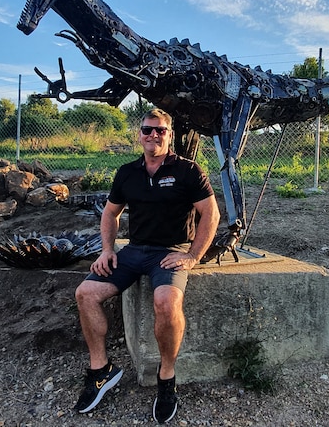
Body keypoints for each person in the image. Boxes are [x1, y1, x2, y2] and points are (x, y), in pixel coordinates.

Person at [73, 108, 220, 423]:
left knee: (165, 301)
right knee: (85, 293)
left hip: (171, 251)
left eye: (161, 131)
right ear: (138, 134)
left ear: (170, 134)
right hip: (135, 250)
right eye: (147, 130)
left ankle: (166, 378)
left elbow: (211, 214)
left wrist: (193, 256)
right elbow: (110, 214)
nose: (154, 135)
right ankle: (101, 371)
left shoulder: (188, 171)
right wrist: (107, 250)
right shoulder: (127, 172)